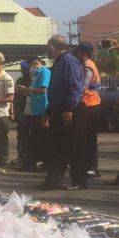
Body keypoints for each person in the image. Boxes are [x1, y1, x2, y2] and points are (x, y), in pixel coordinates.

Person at [41, 35, 85, 190]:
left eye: (48, 48)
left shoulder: (68, 61)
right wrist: (48, 111)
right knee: (56, 147)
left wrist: (70, 108)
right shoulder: (59, 63)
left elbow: (75, 86)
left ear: (53, 47)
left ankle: (78, 180)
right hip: (58, 109)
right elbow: (56, 90)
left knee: (72, 147)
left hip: (69, 110)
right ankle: (53, 180)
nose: (47, 51)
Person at [74, 42, 102, 179]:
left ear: (83, 53)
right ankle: (89, 165)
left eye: (78, 52)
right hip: (89, 104)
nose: (76, 54)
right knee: (87, 137)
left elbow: (83, 87)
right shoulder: (86, 65)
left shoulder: (88, 66)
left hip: (90, 104)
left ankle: (91, 167)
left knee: (90, 138)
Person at [17, 58, 51, 172]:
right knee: (35, 137)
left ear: (38, 64)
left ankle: (34, 163)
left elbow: (43, 90)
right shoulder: (37, 75)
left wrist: (27, 89)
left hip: (41, 109)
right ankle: (39, 162)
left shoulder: (44, 72)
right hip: (34, 109)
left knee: (37, 137)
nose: (32, 68)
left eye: (34, 65)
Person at [12, 61, 32, 166]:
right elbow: (16, 97)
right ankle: (21, 156)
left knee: (31, 136)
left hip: (32, 111)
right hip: (21, 111)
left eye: (24, 69)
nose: (23, 71)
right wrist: (15, 111)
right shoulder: (20, 80)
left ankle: (30, 157)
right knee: (21, 135)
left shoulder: (33, 80)